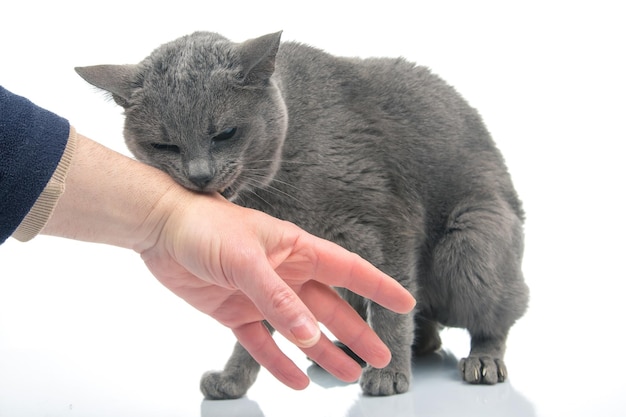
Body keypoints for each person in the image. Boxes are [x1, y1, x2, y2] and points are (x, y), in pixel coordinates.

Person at [0, 85, 415, 390]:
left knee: (464, 267)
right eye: (166, 145)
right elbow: (264, 282)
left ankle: (483, 337)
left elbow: (392, 233)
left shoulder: (316, 137)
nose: (199, 172)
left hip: (451, 233)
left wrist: (394, 357)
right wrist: (163, 219)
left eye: (223, 136)